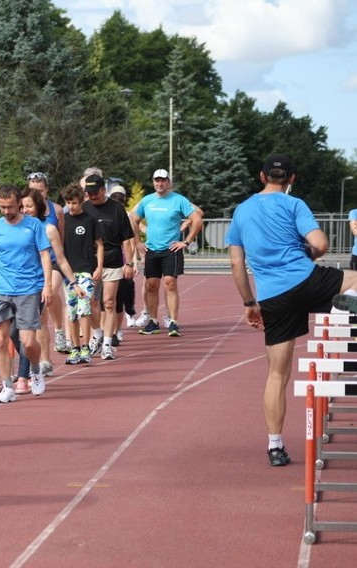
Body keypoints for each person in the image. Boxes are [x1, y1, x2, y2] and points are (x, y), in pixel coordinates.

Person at [225, 154, 357, 466]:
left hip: (273, 298)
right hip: (307, 281)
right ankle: (349, 308)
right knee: (353, 279)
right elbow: (321, 244)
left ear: (261, 177)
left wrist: (249, 303)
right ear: (292, 180)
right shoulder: (293, 204)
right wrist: (306, 255)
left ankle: (275, 446)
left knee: (277, 374)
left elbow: (235, 264)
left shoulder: (242, 211)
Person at [0, 184, 52, 403]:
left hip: (28, 289)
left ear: (19, 203)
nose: (6, 211)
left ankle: (35, 370)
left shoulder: (34, 225)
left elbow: (45, 255)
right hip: (1, 288)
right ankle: (7, 385)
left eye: (9, 207)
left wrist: (47, 285)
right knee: (0, 339)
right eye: (2, 207)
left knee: (27, 342)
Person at [9, 187, 78, 391]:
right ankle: (35, 362)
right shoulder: (18, 228)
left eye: (29, 206)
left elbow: (61, 258)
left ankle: (29, 373)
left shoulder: (48, 229)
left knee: (32, 323)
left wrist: (73, 283)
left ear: (39, 207)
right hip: (24, 280)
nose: (25, 209)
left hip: (46, 276)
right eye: (22, 206)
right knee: (17, 330)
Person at [130, 169, 203, 337]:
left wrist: (186, 242)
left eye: (163, 180)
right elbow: (133, 219)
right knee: (151, 285)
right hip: (151, 249)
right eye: (157, 180)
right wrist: (138, 242)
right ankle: (153, 321)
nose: (160, 183)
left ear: (168, 182)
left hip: (171, 249)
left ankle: (173, 322)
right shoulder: (147, 200)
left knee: (170, 283)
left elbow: (197, 219)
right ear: (153, 182)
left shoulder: (179, 200)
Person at [82, 174, 135, 360]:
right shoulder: (83, 208)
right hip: (89, 263)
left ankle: (107, 343)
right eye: (89, 193)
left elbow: (127, 239)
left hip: (113, 261)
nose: (92, 196)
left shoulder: (116, 209)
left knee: (109, 302)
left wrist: (129, 263)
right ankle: (96, 334)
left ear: (104, 190)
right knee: (90, 303)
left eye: (95, 192)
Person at [60, 183, 103, 364]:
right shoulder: (63, 220)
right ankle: (75, 348)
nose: (71, 206)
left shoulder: (90, 220)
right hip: (68, 272)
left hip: (86, 271)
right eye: (68, 203)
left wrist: (99, 267)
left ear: (81, 202)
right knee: (71, 312)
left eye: (75, 203)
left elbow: (99, 245)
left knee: (84, 308)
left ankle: (86, 347)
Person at [27, 172, 68, 358]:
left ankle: (59, 329)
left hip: (53, 261)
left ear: (47, 190)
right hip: (33, 265)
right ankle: (45, 360)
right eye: (33, 191)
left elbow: (62, 237)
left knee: (48, 297)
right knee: (40, 314)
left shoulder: (57, 210)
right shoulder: (24, 211)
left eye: (40, 191)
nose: (37, 195)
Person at [108, 185, 139, 340]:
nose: (117, 202)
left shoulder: (128, 217)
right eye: (114, 199)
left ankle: (117, 330)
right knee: (108, 300)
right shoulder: (104, 215)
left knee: (119, 299)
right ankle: (108, 331)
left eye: (120, 199)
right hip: (109, 262)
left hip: (123, 262)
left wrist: (133, 263)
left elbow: (132, 243)